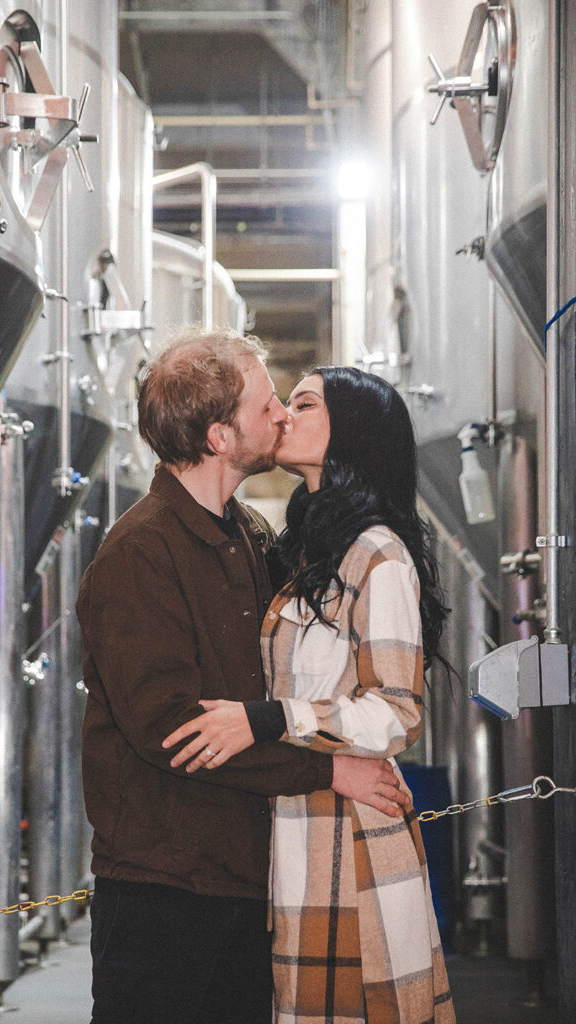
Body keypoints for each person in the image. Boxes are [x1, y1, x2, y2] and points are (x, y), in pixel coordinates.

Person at [76, 329, 407, 1024]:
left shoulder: (249, 534)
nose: (282, 414)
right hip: (166, 893)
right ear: (220, 437)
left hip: (252, 878)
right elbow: (174, 733)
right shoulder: (140, 552)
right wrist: (329, 771)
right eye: (267, 405)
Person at [164, 366, 456, 1023]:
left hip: (351, 837)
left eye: (303, 404)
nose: (284, 415)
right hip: (300, 820)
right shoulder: (309, 550)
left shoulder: (378, 555)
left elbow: (396, 711)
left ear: (351, 431)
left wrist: (269, 719)